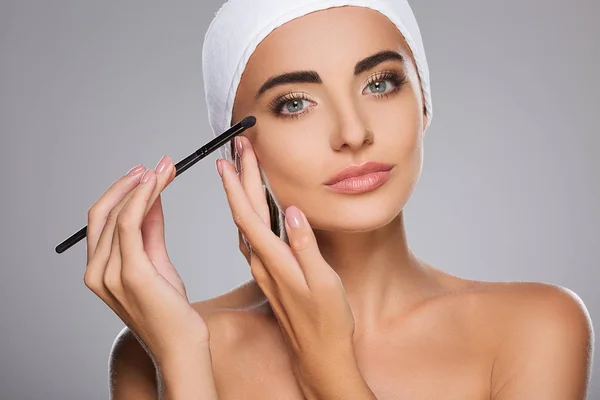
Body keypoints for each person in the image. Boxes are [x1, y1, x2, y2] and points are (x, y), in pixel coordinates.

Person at [83, 1, 593, 399]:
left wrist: (329, 368)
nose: (353, 132)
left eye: (381, 83)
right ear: (236, 147)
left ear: (423, 103)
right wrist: (182, 358)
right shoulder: (156, 347)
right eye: (295, 104)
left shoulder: (536, 327)